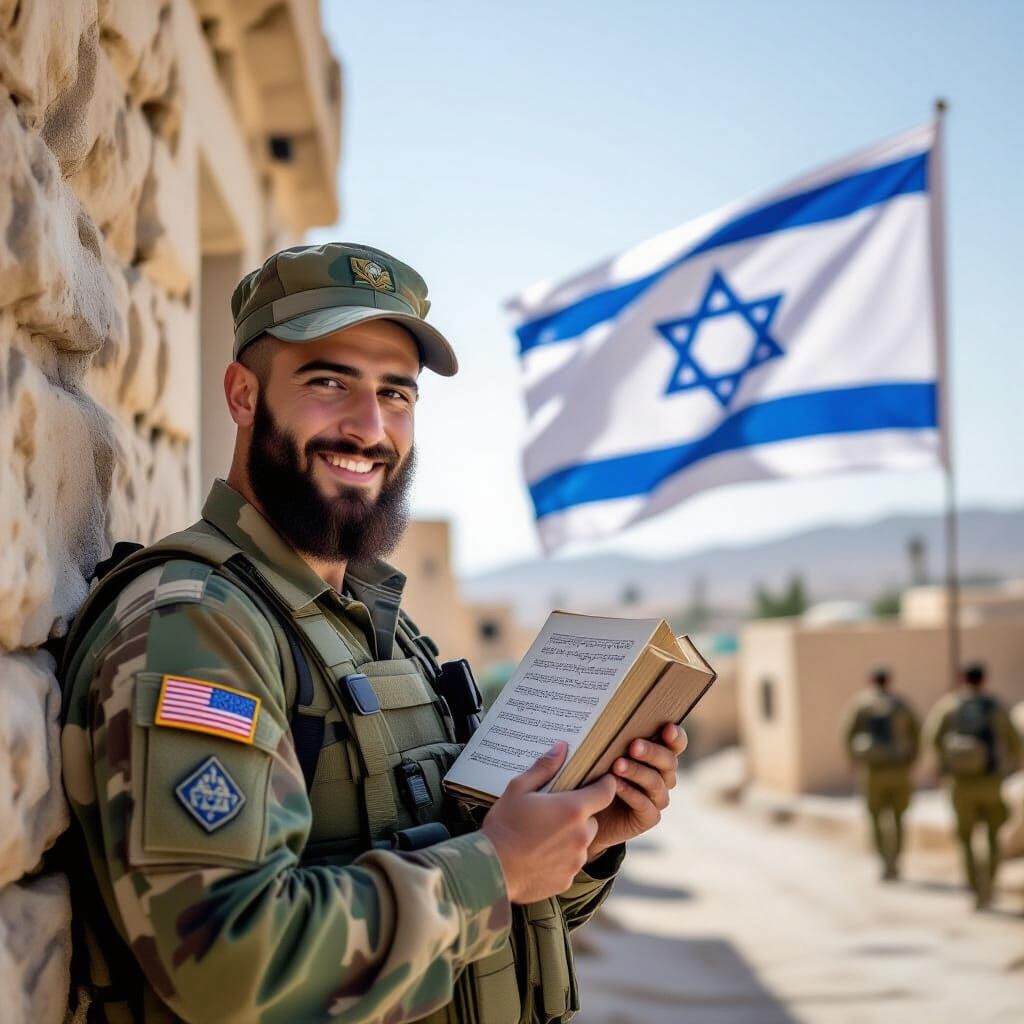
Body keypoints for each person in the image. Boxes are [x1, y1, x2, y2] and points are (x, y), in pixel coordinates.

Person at [58, 242, 689, 1024]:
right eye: (329, 383)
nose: (369, 428)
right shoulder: (194, 623)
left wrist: (578, 842)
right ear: (242, 394)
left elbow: (482, 944)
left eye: (397, 395)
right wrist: (494, 867)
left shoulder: (390, 634)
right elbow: (224, 961)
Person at [926, 662, 1022, 909]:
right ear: (985, 679)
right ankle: (988, 884)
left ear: (962, 679)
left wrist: (943, 767)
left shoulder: (949, 707)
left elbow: (932, 738)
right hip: (990, 781)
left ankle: (974, 887)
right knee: (992, 835)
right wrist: (1007, 768)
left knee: (966, 837)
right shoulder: (996, 707)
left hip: (960, 783)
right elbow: (1015, 742)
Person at [843, 667, 920, 880]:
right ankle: (896, 861)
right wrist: (913, 761)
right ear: (890, 681)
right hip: (899, 771)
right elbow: (917, 732)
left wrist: (853, 762)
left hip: (872, 771)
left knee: (876, 817)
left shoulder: (861, 704)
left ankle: (884, 862)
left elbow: (848, 734)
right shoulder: (901, 704)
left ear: (870, 681)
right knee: (898, 817)